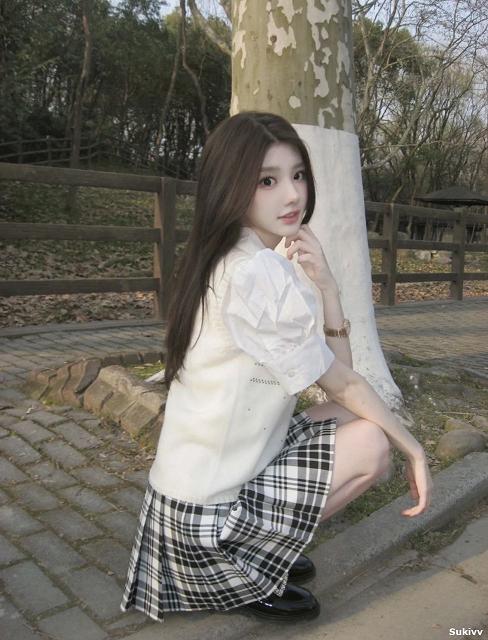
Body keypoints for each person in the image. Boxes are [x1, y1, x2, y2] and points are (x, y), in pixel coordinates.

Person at [120, 111, 433, 624]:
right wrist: (414, 449)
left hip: (190, 496)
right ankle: (243, 568)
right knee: (373, 444)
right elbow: (343, 380)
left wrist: (327, 287)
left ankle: (263, 546)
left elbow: (337, 380)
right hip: (204, 518)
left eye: (298, 175)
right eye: (267, 181)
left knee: (355, 417)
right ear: (231, 187)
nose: (292, 195)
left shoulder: (230, 256)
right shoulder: (254, 274)